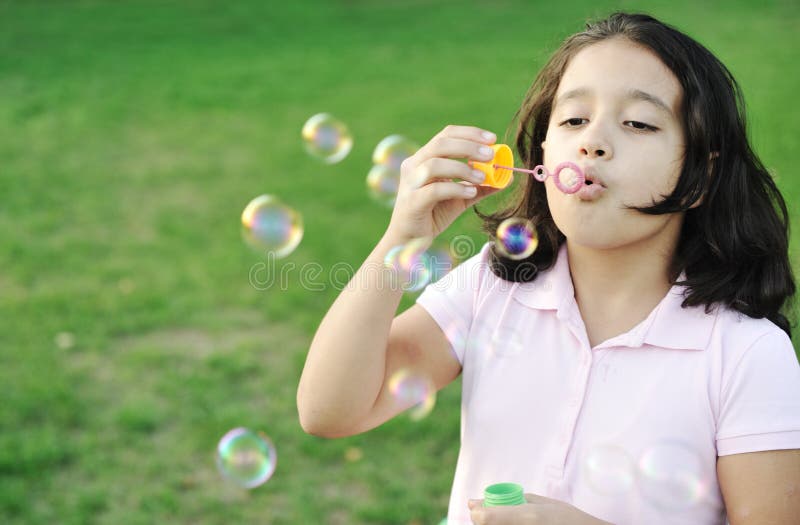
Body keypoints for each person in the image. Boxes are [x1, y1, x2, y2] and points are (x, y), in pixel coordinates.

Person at [297, 11, 800, 525]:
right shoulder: (493, 286)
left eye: (639, 123)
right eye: (574, 119)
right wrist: (401, 240)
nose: (593, 141)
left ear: (700, 177)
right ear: (542, 154)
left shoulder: (745, 355)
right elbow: (330, 410)